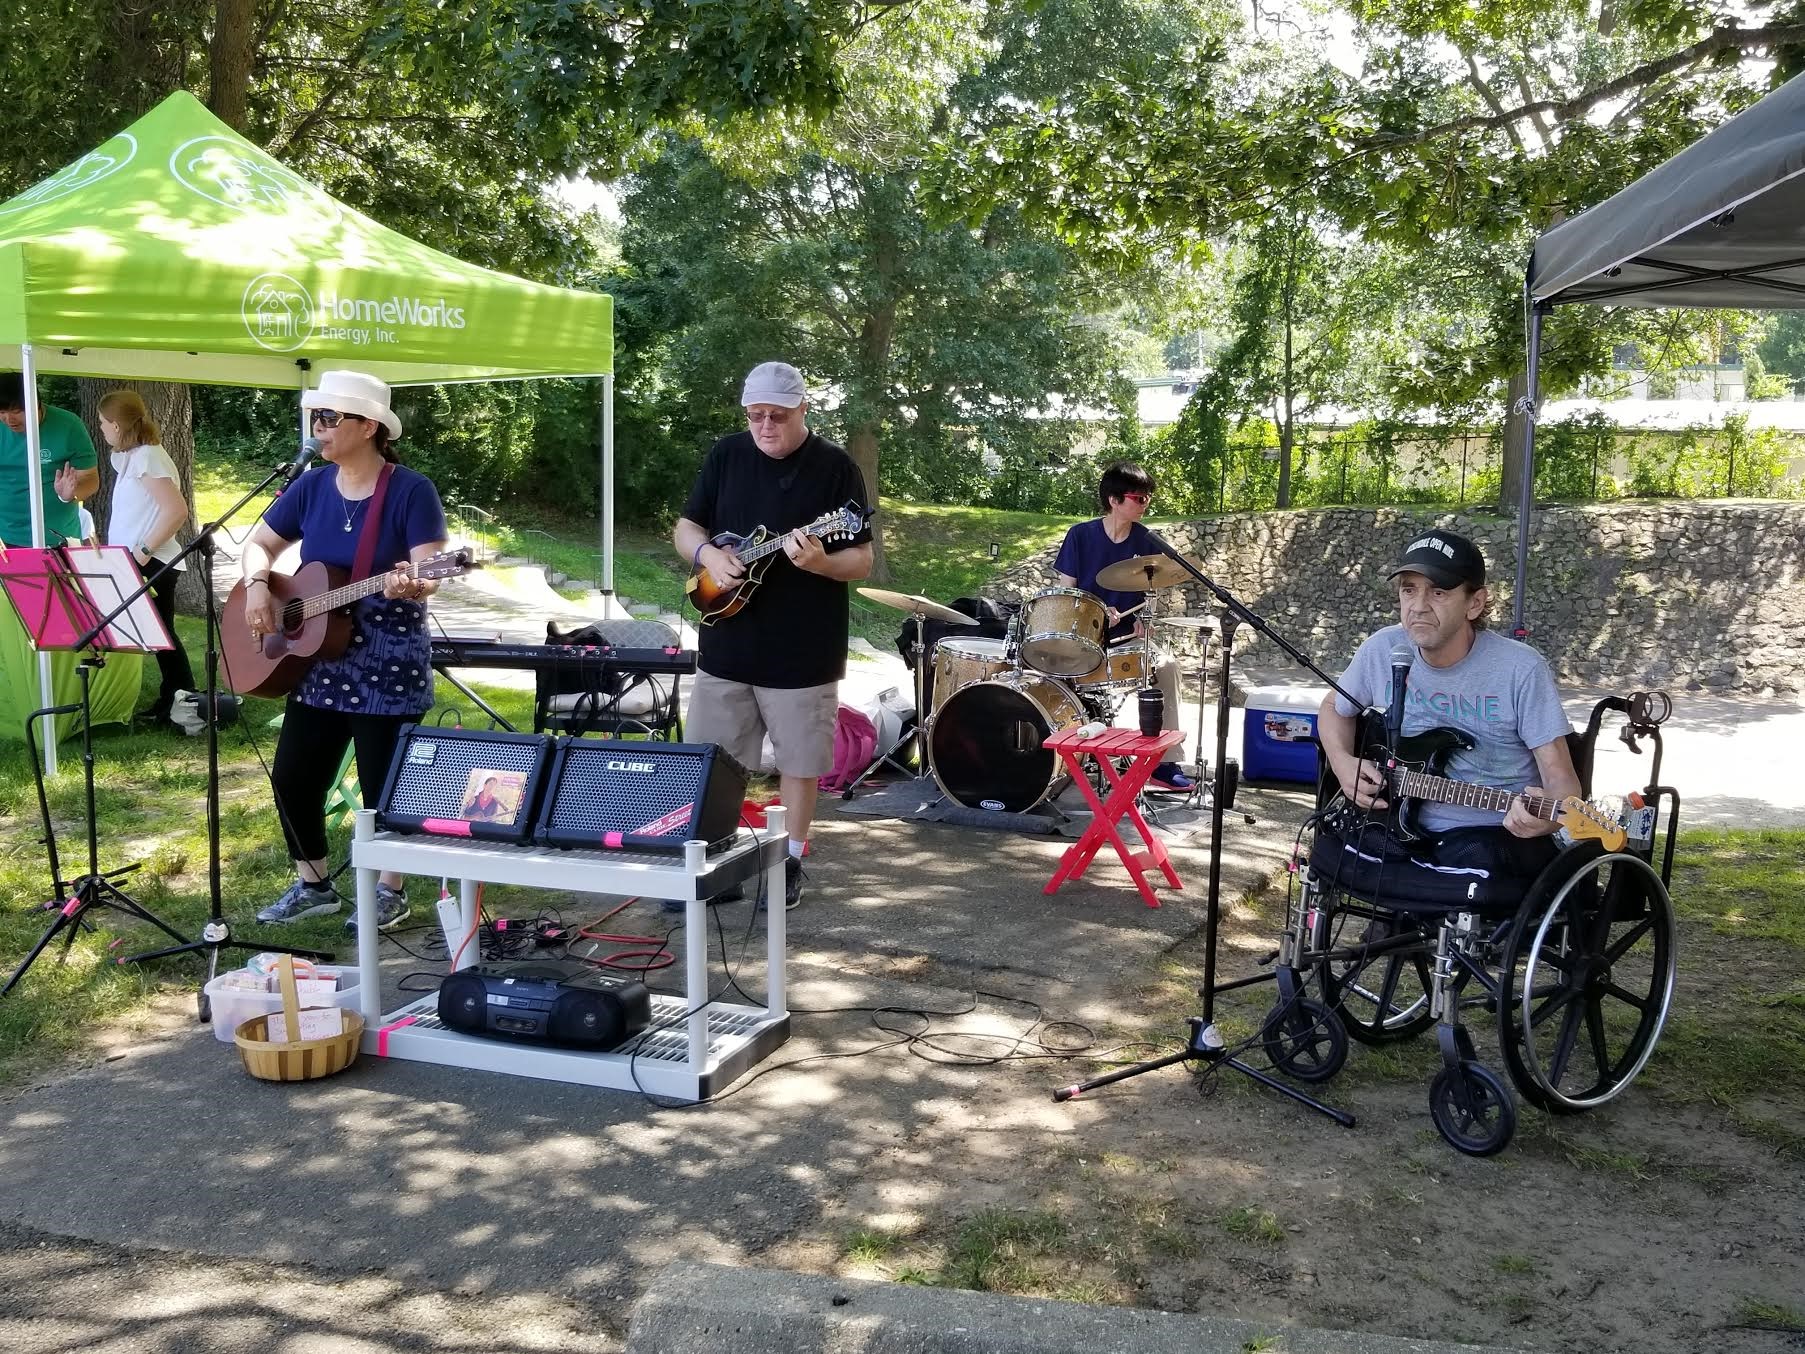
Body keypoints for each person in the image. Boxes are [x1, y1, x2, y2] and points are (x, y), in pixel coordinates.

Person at [239, 371, 449, 934]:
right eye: (317, 417)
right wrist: (259, 584)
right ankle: (314, 884)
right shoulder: (309, 487)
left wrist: (414, 580)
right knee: (293, 776)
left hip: (388, 655)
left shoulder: (410, 490)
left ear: (370, 426)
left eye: (331, 418)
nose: (320, 428)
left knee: (385, 786)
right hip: (320, 657)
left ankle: (390, 891)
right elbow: (258, 543)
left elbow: (430, 571)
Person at [673, 361, 874, 909]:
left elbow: (860, 560)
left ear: (803, 410)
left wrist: (819, 564)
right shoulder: (726, 455)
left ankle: (790, 863)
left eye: (777, 416)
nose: (765, 425)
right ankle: (712, 864)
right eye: (755, 415)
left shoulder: (835, 469)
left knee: (800, 763)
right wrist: (709, 553)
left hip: (802, 648)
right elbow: (687, 527)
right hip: (727, 641)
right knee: (710, 761)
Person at [1316, 529, 1580, 884]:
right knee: (1323, 849)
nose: (1419, 605)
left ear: (1475, 603)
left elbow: (1563, 784)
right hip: (1394, 826)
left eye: (1438, 592)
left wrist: (1549, 817)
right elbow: (1334, 707)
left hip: (1488, 834)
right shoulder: (1383, 649)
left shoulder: (1519, 669)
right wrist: (1343, 763)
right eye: (1409, 589)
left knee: (1479, 865)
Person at [1052, 461, 1193, 792]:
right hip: (1083, 637)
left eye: (1148, 497)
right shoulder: (1080, 535)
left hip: (1125, 638)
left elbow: (1153, 589)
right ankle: (1059, 755)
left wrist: (1146, 619)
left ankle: (1165, 761)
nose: (1145, 503)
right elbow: (1066, 595)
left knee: (1168, 666)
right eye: (1138, 497)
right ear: (1114, 500)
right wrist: (1098, 612)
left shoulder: (1146, 540)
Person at [98, 390, 198, 728]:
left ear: (115, 424)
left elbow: (176, 510)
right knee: (160, 635)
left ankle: (182, 701)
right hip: (139, 559)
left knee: (162, 634)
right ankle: (175, 699)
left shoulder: (147, 457)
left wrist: (143, 551)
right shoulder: (134, 456)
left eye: (102, 423)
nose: (101, 429)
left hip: (153, 560)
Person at [0, 372, 99, 548]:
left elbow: (90, 478)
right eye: (2, 412)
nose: (9, 420)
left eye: (16, 411)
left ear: (36, 405)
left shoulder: (69, 425)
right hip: (5, 537)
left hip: (58, 536)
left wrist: (70, 495)